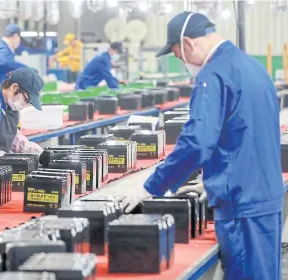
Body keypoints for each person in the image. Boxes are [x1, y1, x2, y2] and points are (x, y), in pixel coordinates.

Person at [118, 12, 283, 280]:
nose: (182, 62)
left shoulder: (213, 75)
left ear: (188, 43)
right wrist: (214, 182)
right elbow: (249, 134)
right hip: (266, 197)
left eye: (177, 55)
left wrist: (150, 187)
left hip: (241, 206)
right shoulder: (252, 67)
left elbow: (196, 143)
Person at [0, 24, 27, 89]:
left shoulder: (0, 45)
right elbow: (4, 62)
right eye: (19, 38)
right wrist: (24, 67)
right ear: (15, 36)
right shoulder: (3, 47)